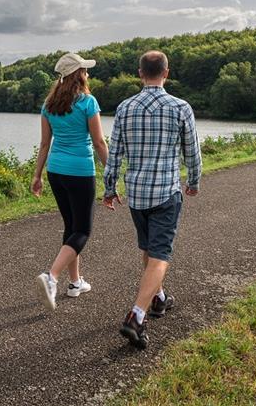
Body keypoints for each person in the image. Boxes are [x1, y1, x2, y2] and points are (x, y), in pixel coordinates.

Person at [103, 50, 202, 349]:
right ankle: (136, 315)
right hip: (166, 191)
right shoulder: (180, 107)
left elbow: (115, 153)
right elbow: (192, 152)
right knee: (160, 255)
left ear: (139, 73)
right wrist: (194, 181)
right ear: (166, 73)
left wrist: (109, 188)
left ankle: (158, 299)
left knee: (148, 249)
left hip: (137, 193)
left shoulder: (124, 108)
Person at [31, 52, 109, 311]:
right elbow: (99, 142)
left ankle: (75, 282)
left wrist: (37, 175)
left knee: (71, 227)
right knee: (83, 230)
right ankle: (51, 277)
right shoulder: (88, 102)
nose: (88, 74)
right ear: (79, 75)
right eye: (85, 70)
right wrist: (111, 170)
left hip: (56, 171)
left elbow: (44, 144)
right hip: (80, 171)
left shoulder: (49, 105)